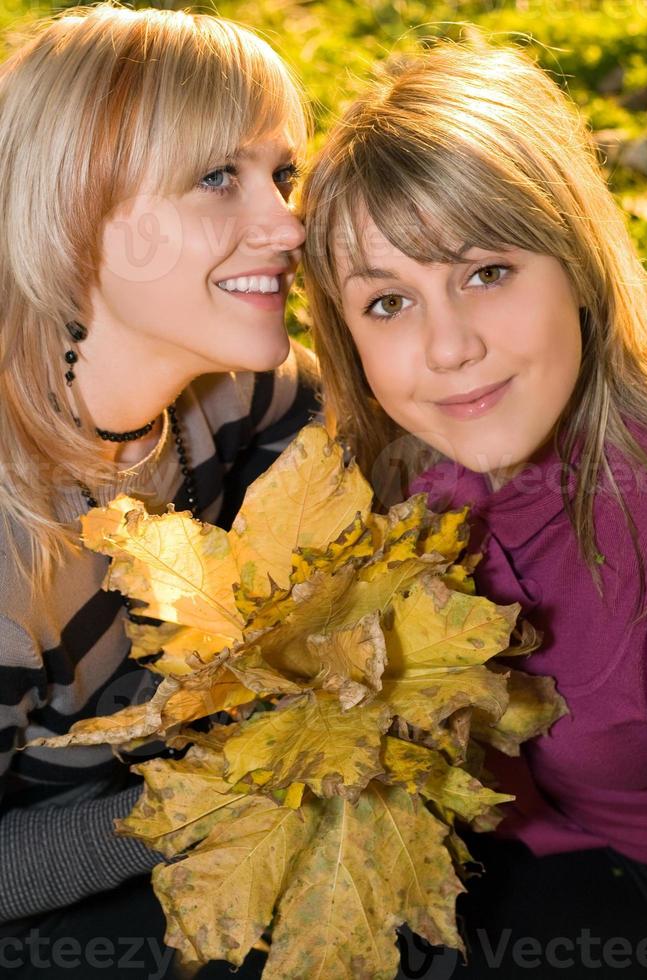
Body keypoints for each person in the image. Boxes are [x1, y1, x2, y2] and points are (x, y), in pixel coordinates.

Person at [298, 40, 647, 978]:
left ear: (575, 265)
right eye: (387, 302)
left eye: (484, 273)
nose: (447, 347)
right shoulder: (394, 487)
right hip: (536, 867)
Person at [0, 5, 318, 978]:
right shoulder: (13, 554)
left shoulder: (238, 388)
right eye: (218, 176)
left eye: (281, 175)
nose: (286, 223)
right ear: (73, 208)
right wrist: (217, 797)